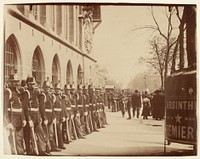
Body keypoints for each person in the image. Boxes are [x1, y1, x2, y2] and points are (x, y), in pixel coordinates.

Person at [22, 76, 50, 155]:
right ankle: (29, 151)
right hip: (30, 116)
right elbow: (25, 107)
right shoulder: (26, 93)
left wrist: (43, 117)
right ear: (28, 84)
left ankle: (42, 150)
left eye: (34, 84)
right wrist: (28, 119)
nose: (32, 86)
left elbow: (40, 106)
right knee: (28, 135)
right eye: (31, 84)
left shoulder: (37, 92)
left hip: (37, 116)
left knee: (40, 133)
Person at [4, 74, 26, 155]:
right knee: (12, 140)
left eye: (17, 82)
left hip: (19, 119)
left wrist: (23, 119)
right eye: (14, 82)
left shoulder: (18, 92)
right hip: (12, 119)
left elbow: (21, 107)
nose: (16, 83)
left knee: (19, 139)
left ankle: (21, 154)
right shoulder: (7, 92)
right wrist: (8, 122)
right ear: (9, 82)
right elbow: (4, 109)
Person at [53, 82, 66, 149]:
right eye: (57, 89)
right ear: (55, 89)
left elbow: (62, 108)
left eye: (59, 89)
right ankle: (58, 144)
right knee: (57, 130)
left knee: (59, 130)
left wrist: (63, 116)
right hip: (55, 115)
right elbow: (52, 108)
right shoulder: (53, 96)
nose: (58, 90)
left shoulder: (60, 97)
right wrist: (54, 117)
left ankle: (60, 144)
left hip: (60, 115)